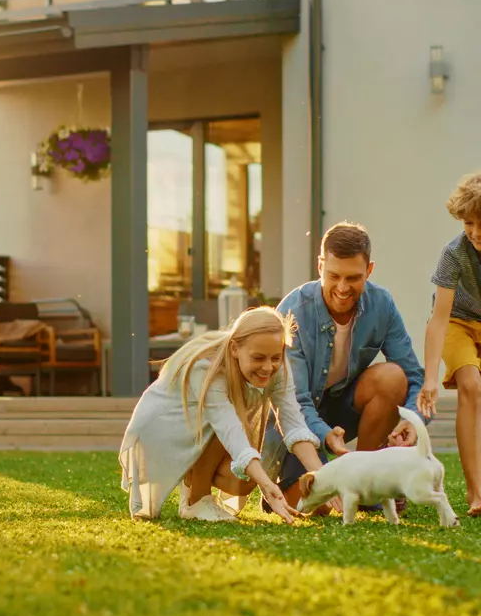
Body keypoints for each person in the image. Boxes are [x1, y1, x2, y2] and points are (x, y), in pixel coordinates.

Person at [119, 307, 339, 525]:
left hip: (200, 429)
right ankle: (197, 500)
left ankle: (192, 478)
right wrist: (267, 484)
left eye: (276, 357)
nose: (268, 367)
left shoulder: (276, 366)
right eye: (259, 358)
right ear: (234, 348)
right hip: (162, 430)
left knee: (243, 483)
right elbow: (228, 429)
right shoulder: (207, 367)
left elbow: (294, 425)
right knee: (230, 439)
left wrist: (325, 479)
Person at [262, 222, 427, 511]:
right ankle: (293, 485)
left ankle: (365, 481)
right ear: (320, 265)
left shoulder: (382, 305)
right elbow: (295, 402)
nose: (342, 288)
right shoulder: (293, 310)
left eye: (353, 278)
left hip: (343, 406)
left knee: (392, 377)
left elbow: (414, 376)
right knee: (315, 505)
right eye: (333, 275)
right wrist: (325, 434)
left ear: (370, 270)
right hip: (295, 419)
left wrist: (413, 421)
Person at [418, 171, 481, 517]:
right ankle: (476, 494)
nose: (475, 232)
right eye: (469, 223)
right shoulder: (454, 254)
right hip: (458, 322)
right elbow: (439, 319)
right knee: (470, 385)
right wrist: (430, 378)